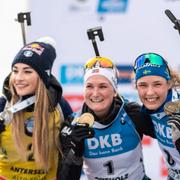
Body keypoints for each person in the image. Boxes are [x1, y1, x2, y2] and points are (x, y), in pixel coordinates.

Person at [57, 56, 156, 180]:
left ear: (114, 91)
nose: (95, 93)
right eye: (89, 86)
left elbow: (168, 139)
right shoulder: (72, 125)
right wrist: (75, 151)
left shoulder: (132, 114)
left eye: (103, 86)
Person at [0, 37, 72, 179]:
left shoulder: (60, 107)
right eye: (15, 71)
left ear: (42, 76)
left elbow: (71, 164)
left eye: (27, 71)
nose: (18, 78)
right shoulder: (3, 106)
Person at [133, 52, 180, 180]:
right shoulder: (148, 110)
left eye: (157, 84)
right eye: (143, 85)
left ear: (169, 84)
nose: (150, 92)